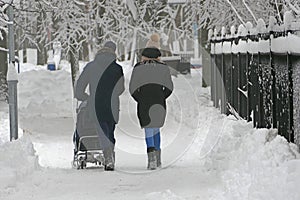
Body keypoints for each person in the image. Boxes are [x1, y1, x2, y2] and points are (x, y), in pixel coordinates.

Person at [74, 41, 124, 171]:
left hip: (96, 104)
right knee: (110, 131)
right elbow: (120, 88)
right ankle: (109, 155)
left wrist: (85, 97)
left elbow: (79, 87)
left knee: (102, 130)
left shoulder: (91, 67)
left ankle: (108, 157)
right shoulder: (117, 68)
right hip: (112, 105)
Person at [129, 45, 173, 170]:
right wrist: (161, 96)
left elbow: (132, 87)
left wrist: (140, 98)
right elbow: (169, 87)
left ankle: (151, 158)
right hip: (159, 101)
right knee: (156, 128)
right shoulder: (164, 68)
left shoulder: (138, 68)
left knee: (148, 128)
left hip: (144, 102)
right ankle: (158, 158)